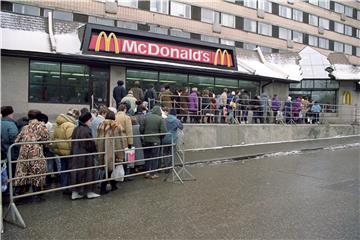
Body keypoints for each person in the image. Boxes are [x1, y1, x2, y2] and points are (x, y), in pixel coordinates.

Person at [14, 113, 50, 201]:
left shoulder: (25, 127)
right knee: (37, 173)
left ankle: (18, 196)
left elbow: (16, 140)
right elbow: (47, 140)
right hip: (36, 154)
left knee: (23, 174)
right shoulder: (42, 127)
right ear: (42, 121)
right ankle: (37, 195)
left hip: (23, 154)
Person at [69, 112, 99, 200]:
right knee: (88, 172)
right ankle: (90, 192)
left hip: (75, 154)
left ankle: (75, 192)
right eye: (90, 120)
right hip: (85, 156)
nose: (91, 121)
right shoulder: (86, 130)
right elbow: (90, 144)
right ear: (86, 120)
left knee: (76, 173)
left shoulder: (76, 129)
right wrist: (94, 149)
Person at [96, 111, 126, 194]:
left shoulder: (100, 125)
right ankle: (104, 187)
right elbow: (119, 141)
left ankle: (113, 185)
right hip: (112, 150)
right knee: (111, 168)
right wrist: (120, 154)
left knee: (106, 168)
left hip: (102, 150)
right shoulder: (116, 126)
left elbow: (98, 138)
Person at [52, 109, 78, 191]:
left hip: (60, 151)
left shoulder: (58, 125)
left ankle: (63, 186)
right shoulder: (70, 125)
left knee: (63, 168)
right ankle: (68, 187)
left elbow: (54, 137)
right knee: (69, 169)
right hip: (68, 151)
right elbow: (71, 139)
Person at [140, 105, 167, 179]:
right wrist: (159, 138)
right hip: (156, 141)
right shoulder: (160, 119)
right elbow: (164, 131)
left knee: (147, 156)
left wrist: (144, 134)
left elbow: (141, 129)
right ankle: (153, 174)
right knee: (154, 157)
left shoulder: (145, 117)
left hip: (146, 140)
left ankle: (147, 172)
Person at [115, 104, 134, 180]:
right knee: (127, 158)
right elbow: (129, 131)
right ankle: (126, 175)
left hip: (116, 139)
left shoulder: (114, 116)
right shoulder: (126, 118)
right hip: (124, 139)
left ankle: (117, 175)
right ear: (125, 109)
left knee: (118, 158)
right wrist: (130, 142)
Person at [162, 108, 183, 173]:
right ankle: (169, 166)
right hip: (172, 139)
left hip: (164, 139)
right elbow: (181, 127)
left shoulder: (164, 120)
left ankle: (165, 166)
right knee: (172, 153)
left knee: (165, 153)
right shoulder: (176, 120)